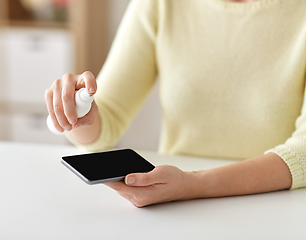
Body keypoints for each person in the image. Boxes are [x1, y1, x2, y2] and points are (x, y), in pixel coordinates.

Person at [45, 0, 306, 207]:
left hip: (277, 206)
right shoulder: (161, 3)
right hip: (174, 208)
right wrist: (78, 112)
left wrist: (194, 185)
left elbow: (303, 151)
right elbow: (106, 120)